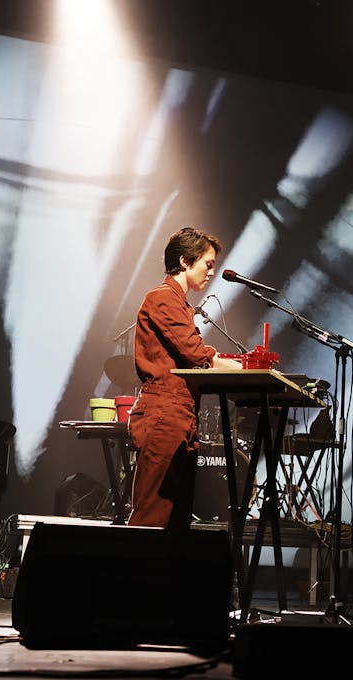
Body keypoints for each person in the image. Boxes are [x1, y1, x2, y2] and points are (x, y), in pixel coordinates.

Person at [127, 226, 242, 529]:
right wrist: (233, 365)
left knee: (176, 521)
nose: (211, 272)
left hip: (180, 413)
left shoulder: (179, 303)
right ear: (184, 261)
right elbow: (195, 354)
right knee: (151, 516)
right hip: (165, 411)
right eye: (207, 264)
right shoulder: (162, 298)